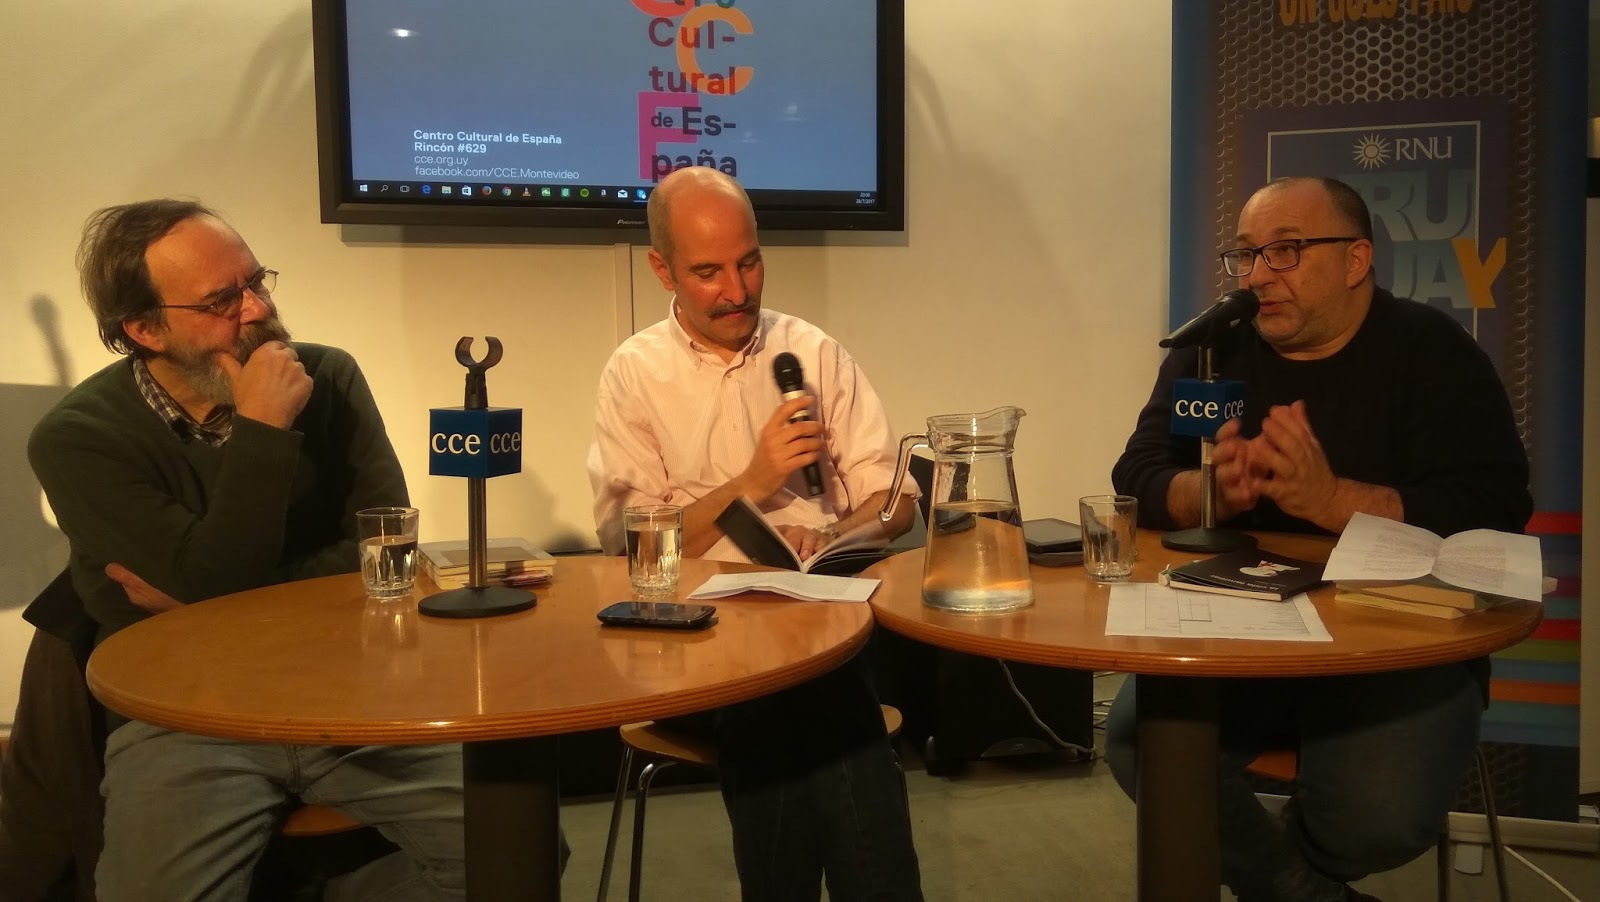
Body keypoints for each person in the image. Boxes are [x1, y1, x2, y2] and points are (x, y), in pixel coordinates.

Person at [1106, 176, 1532, 902]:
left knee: (1372, 821)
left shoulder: (1434, 352)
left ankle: (1291, 879)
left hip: (1396, 640)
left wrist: (1335, 501)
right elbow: (1137, 473)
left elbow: (1494, 508)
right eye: (1246, 254)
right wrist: (1207, 492)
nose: (1258, 276)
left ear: (1355, 259)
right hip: (1243, 631)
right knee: (1138, 742)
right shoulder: (1214, 350)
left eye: (1287, 250)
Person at [27, 199, 465, 900]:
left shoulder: (329, 377)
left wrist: (207, 603)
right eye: (221, 301)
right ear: (143, 328)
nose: (259, 309)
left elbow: (386, 551)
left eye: (257, 281)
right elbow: (215, 578)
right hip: (182, 709)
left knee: (517, 855)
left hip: (344, 689)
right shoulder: (78, 439)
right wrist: (263, 429)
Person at [587, 167, 924, 901]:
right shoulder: (634, 374)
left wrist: (837, 534)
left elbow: (895, 500)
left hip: (820, 618)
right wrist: (753, 480)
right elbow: (630, 547)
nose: (737, 290)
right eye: (708, 272)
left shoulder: (813, 352)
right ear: (663, 271)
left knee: (810, 686)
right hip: (697, 641)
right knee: (816, 707)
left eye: (749, 262)